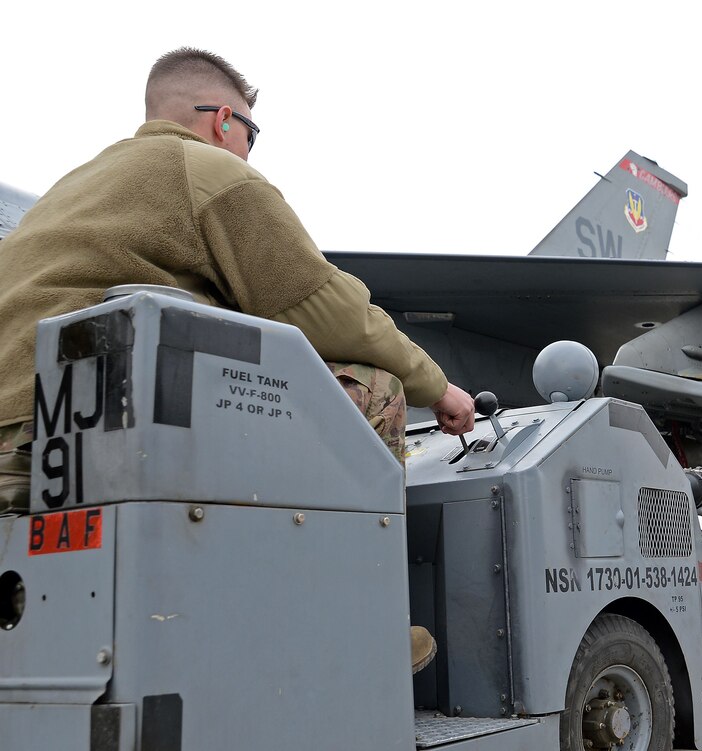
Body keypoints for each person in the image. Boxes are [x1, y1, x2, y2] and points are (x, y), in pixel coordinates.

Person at [0, 47, 473, 674]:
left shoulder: (72, 188)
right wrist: (437, 389)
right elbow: (327, 311)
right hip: (107, 425)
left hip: (32, 432)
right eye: (251, 132)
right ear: (223, 120)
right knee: (376, 384)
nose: (251, 148)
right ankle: (363, 626)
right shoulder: (209, 171)